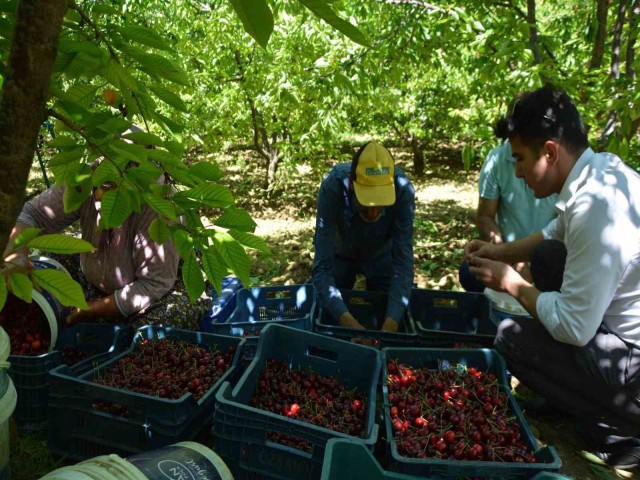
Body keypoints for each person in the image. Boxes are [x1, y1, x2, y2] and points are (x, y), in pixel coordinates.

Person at [465, 85, 640, 469]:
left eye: (520, 159)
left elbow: (576, 327)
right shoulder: (603, 173)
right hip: (617, 333)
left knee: (511, 338)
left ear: (549, 152)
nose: (518, 172)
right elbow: (551, 235)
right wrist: (498, 252)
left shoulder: (596, 210)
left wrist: (512, 282)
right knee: (546, 256)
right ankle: (568, 393)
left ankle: (620, 431)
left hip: (633, 364)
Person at [311, 141, 415, 333]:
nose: (374, 212)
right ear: (352, 183)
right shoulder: (332, 187)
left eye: (381, 202)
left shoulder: (403, 190)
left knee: (392, 308)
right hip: (341, 253)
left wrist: (390, 325)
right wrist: (349, 324)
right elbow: (322, 267)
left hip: (382, 254)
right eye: (367, 202)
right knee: (324, 309)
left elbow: (403, 263)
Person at [459, 139, 557, 292]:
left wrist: (531, 265)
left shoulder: (562, 170)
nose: (518, 172)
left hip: (546, 256)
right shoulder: (496, 159)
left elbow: (561, 231)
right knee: (468, 273)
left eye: (521, 159)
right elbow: (486, 215)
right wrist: (502, 255)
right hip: (507, 251)